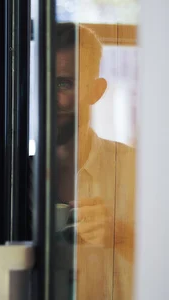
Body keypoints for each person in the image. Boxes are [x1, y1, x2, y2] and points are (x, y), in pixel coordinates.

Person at [53, 23, 136, 300]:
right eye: (41, 82)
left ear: (97, 91)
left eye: (64, 83)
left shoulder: (136, 170)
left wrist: (122, 236)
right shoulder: (10, 175)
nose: (50, 99)